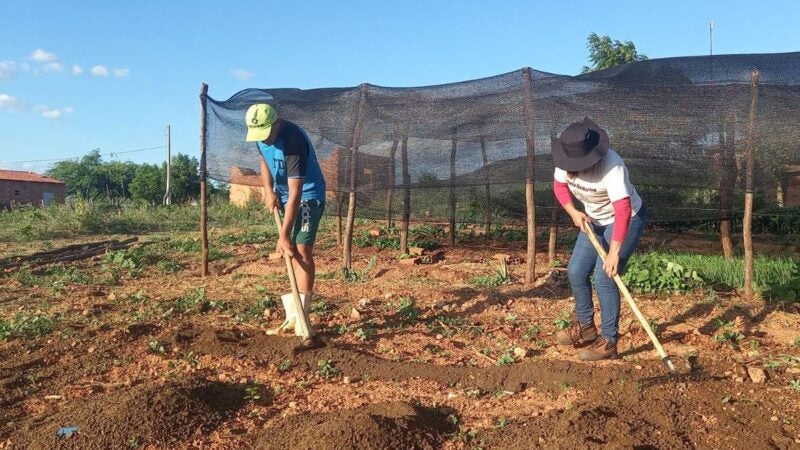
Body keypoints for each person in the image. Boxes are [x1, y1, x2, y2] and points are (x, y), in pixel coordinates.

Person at [551, 117, 647, 361]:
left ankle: (609, 342)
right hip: (593, 220)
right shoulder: (564, 161)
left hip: (624, 220)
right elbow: (559, 187)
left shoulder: (612, 166)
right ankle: (586, 327)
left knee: (604, 277)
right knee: (575, 271)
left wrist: (614, 252)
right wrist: (573, 212)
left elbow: (623, 210)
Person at [245, 103, 326, 345]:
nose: (264, 140)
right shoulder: (262, 138)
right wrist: (268, 189)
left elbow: (296, 192)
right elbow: (263, 160)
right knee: (291, 250)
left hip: (308, 195)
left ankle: (302, 317)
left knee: (300, 249)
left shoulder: (293, 142)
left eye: (267, 134)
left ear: (277, 123)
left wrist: (283, 236)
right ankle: (293, 317)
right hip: (284, 194)